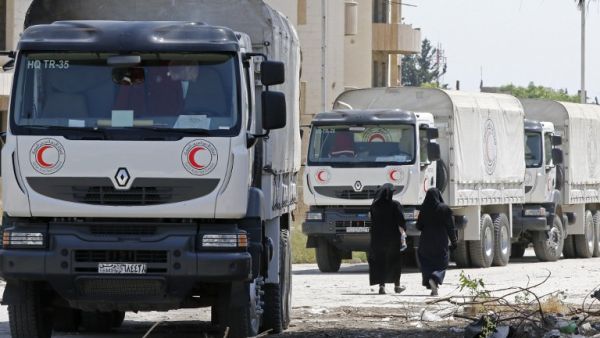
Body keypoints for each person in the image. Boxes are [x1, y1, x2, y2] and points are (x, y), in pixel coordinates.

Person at [416, 188, 458, 296]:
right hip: (440, 240)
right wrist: (454, 241)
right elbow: (450, 227)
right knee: (442, 261)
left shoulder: (424, 208)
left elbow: (418, 226)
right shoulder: (444, 208)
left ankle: (430, 279)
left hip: (425, 240)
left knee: (426, 261)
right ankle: (435, 277)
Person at [368, 183, 406, 295]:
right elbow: (401, 222)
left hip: (377, 239)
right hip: (392, 239)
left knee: (380, 261)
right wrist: (403, 236)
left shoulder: (374, 206)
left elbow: (372, 221)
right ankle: (397, 286)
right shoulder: (395, 205)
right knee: (395, 261)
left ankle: (382, 286)